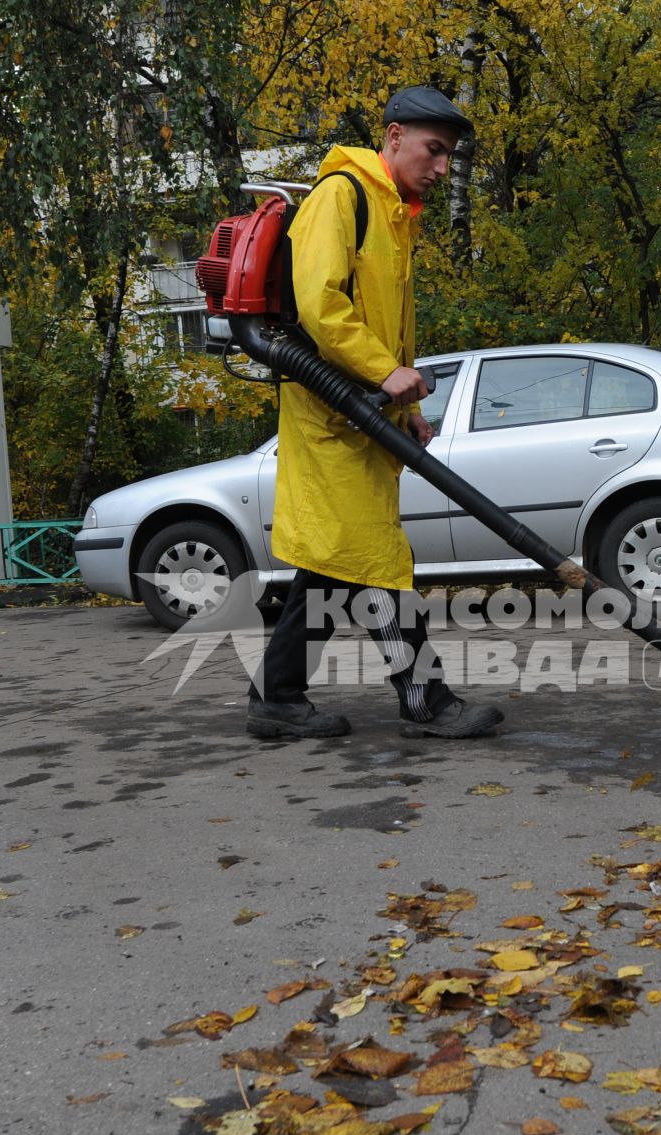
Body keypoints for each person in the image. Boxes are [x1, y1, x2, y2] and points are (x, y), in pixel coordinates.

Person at [248, 86, 504, 741]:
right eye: (433, 150)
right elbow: (321, 304)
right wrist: (385, 374)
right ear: (393, 136)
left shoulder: (394, 214)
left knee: (337, 563)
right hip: (329, 417)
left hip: (364, 414)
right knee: (375, 557)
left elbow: (388, 324)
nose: (441, 167)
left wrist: (403, 405)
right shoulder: (343, 196)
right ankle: (426, 699)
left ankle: (276, 696)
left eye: (448, 156)